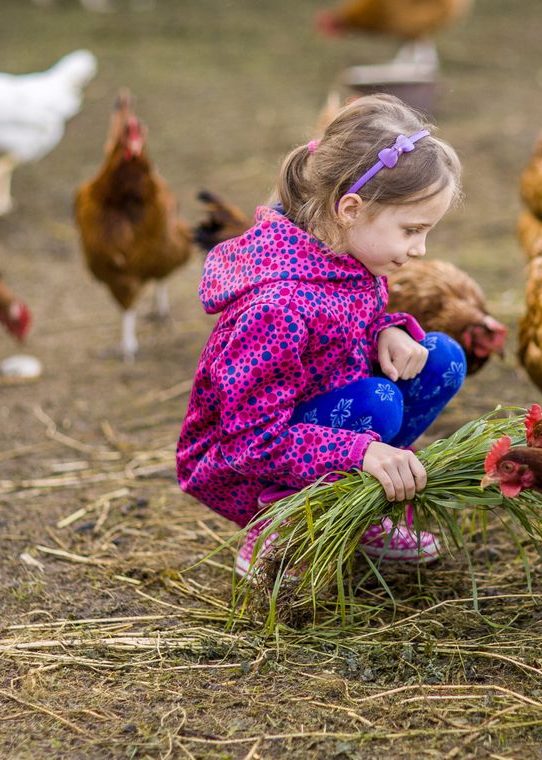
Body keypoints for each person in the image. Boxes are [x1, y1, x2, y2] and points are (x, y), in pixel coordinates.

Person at [176, 94, 465, 577]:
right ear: (350, 208)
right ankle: (279, 526)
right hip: (244, 462)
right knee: (380, 402)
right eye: (412, 230)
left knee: (441, 358)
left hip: (317, 419)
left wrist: (385, 332)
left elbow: (344, 330)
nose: (420, 249)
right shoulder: (278, 306)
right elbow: (252, 441)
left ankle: (352, 507)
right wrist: (360, 451)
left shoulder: (348, 258)